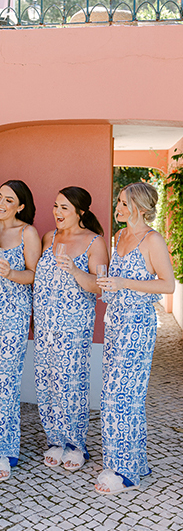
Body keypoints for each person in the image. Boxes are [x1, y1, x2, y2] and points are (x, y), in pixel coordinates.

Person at [95, 182, 174, 494]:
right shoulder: (120, 236)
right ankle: (135, 462)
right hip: (115, 322)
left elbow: (168, 286)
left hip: (138, 326)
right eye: (118, 201)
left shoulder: (152, 240)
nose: (118, 206)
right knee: (120, 395)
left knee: (121, 395)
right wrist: (110, 286)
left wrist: (124, 282)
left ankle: (124, 471)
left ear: (140, 207)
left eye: (124, 202)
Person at [33, 186, 108, 473]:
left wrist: (75, 270)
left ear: (81, 212)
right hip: (45, 324)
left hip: (74, 325)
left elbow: (98, 287)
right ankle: (54, 440)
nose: (57, 212)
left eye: (64, 208)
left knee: (70, 383)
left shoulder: (94, 242)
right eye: (55, 206)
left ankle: (76, 444)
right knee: (46, 380)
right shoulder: (49, 238)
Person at [0, 180, 41, 481]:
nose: (0, 202)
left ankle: (2, 449)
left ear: (21, 206)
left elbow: (35, 275)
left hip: (13, 314)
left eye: (8, 199)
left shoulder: (27, 233)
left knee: (5, 378)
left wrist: (11, 273)